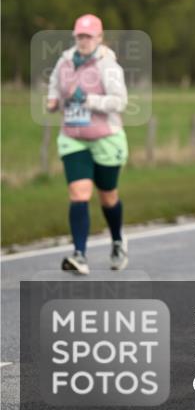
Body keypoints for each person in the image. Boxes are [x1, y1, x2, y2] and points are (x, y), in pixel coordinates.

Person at [46, 14, 129, 275]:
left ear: (99, 38)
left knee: (108, 196)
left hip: (106, 138)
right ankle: (79, 254)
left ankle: (117, 241)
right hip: (73, 138)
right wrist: (53, 100)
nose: (83, 41)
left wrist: (88, 99)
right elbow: (54, 86)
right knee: (79, 193)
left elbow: (120, 102)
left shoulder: (108, 65)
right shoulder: (65, 61)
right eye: (79, 36)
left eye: (88, 36)